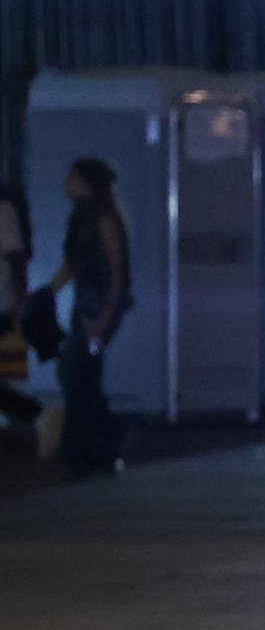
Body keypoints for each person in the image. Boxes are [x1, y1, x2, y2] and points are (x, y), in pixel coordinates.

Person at [45, 157, 131, 475]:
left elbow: (116, 274)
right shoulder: (82, 218)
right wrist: (47, 294)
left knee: (79, 372)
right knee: (78, 373)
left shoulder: (103, 219)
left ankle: (100, 440)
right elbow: (73, 265)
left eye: (71, 177)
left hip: (99, 309)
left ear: (85, 182)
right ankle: (93, 443)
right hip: (88, 307)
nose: (66, 182)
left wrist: (104, 321)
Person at [0, 181, 40, 451]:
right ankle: (38, 416)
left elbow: (17, 258)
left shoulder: (3, 210)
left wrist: (19, 300)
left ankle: (37, 415)